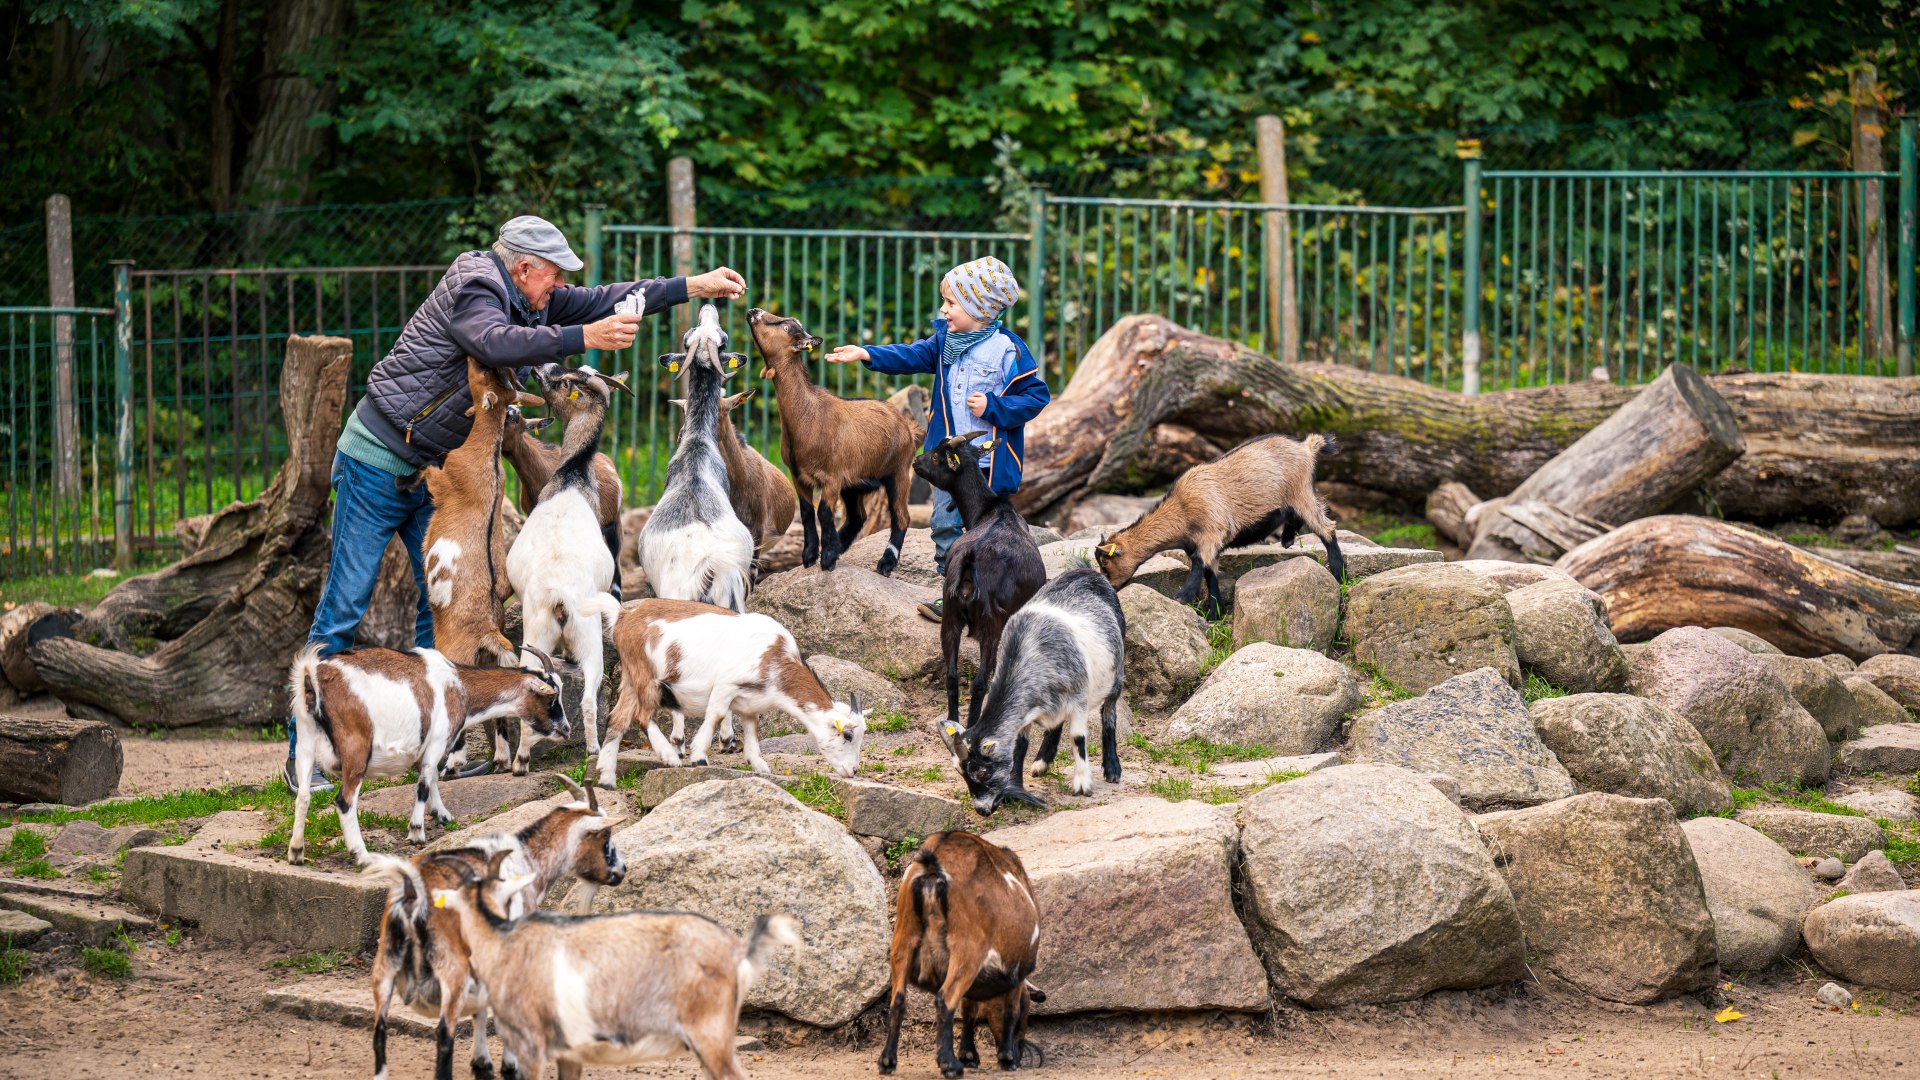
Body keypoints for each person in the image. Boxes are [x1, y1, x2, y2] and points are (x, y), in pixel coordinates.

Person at [285, 215, 745, 791]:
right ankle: (303, 749)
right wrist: (585, 338)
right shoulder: (475, 283)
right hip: (377, 461)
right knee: (345, 605)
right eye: (552, 276)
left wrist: (693, 286)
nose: (557, 289)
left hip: (439, 479)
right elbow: (491, 342)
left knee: (450, 613)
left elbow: (605, 298)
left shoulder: (530, 300)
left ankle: (439, 752)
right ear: (523, 267)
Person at [823, 256, 1050, 621]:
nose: (943, 310)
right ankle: (954, 590)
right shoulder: (945, 342)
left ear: (980, 307)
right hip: (948, 463)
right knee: (944, 524)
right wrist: (867, 353)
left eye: (951, 303)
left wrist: (994, 406)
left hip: (987, 464)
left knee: (988, 531)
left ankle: (991, 592)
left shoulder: (1008, 350)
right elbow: (912, 354)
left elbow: (1036, 396)